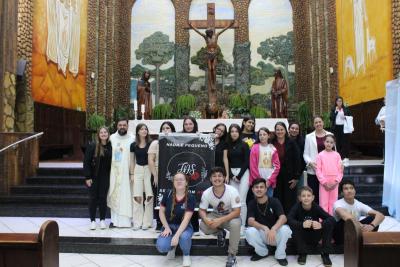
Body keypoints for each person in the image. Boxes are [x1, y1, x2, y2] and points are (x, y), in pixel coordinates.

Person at [199, 167, 241, 267]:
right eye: (214, 176)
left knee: (236, 224)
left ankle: (232, 254)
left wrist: (220, 220)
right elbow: (202, 210)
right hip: (216, 214)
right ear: (210, 179)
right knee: (203, 225)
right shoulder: (206, 193)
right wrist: (206, 219)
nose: (217, 178)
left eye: (219, 176)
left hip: (230, 216)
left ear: (224, 177)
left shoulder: (232, 190)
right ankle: (220, 232)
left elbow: (237, 212)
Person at [245, 178, 291, 266]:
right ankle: (262, 252)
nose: (259, 189)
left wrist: (273, 229)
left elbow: (283, 218)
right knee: (249, 231)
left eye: (261, 187)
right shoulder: (251, 203)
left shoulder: (274, 201)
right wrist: (264, 227)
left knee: (285, 229)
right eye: (256, 187)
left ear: (266, 189)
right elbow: (250, 221)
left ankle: (280, 255)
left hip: (275, 235)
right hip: (263, 234)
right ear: (253, 190)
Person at [288, 186, 335, 266]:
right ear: (299, 198)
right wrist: (302, 224)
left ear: (313, 197)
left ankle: (325, 254)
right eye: (303, 196)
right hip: (302, 237)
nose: (306, 198)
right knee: (294, 226)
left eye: (309, 196)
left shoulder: (316, 207)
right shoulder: (296, 207)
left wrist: (321, 224)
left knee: (328, 225)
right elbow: (289, 219)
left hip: (315, 235)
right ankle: (302, 253)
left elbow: (331, 219)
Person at [156, 172, 195, 267]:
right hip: (169, 226)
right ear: (173, 182)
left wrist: (177, 235)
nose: (179, 181)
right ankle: (172, 248)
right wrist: (166, 228)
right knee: (162, 247)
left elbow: (186, 219)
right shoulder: (167, 194)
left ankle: (186, 255)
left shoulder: (191, 197)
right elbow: (161, 212)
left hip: (184, 227)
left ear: (186, 182)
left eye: (181, 179)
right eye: (176, 179)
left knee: (184, 237)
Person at [333, 179, 385, 245]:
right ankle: (354, 242)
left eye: (351, 188)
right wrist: (361, 226)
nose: (349, 191)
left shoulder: (358, 204)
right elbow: (345, 216)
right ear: (342, 193)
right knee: (345, 221)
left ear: (355, 191)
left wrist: (371, 226)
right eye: (346, 189)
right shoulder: (338, 203)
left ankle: (365, 240)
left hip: (355, 231)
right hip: (341, 234)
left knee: (373, 218)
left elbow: (381, 215)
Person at [148, 121, 176, 231]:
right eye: (163, 128)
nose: (165, 130)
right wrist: (155, 175)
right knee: (159, 199)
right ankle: (159, 222)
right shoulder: (156, 143)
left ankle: (170, 221)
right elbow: (150, 160)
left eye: (168, 128)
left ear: (172, 130)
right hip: (158, 175)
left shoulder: (177, 141)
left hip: (173, 176)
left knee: (172, 198)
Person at [83, 126, 112, 230]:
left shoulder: (110, 146)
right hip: (94, 177)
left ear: (108, 134)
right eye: (101, 132)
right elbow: (86, 162)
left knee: (103, 198)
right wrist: (87, 177)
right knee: (93, 199)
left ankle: (103, 220)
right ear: (98, 135)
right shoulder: (93, 145)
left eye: (105, 132)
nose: (103, 134)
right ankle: (92, 221)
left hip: (105, 177)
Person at [108, 118, 134, 227]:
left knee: (127, 196)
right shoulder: (112, 138)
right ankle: (114, 221)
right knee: (114, 193)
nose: (122, 127)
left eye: (124, 125)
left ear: (127, 126)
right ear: (117, 126)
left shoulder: (132, 138)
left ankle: (127, 221)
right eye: (120, 125)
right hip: (114, 172)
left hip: (127, 172)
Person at [272, 122, 301, 213]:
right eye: (278, 130)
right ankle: (279, 218)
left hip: (290, 176)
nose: (280, 131)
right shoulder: (271, 142)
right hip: (276, 176)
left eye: (282, 129)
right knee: (277, 198)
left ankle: (289, 220)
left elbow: (297, 159)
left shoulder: (291, 142)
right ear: (275, 131)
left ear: (285, 130)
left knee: (289, 199)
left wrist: (296, 178)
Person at [303, 116, 333, 204]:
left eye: (320, 122)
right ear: (313, 124)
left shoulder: (330, 135)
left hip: (327, 171)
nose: (318, 124)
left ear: (323, 123)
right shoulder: (309, 137)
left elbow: (334, 152)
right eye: (316, 122)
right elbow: (305, 154)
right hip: (314, 170)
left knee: (326, 195)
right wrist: (310, 163)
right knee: (314, 194)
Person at [226, 124, 250, 234]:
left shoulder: (244, 145)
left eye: (236, 131)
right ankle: (233, 225)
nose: (234, 133)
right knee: (233, 201)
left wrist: (239, 176)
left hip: (243, 173)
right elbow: (226, 161)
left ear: (239, 132)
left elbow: (247, 161)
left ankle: (242, 225)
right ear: (229, 133)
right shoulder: (228, 145)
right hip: (232, 174)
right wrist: (231, 175)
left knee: (242, 201)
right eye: (232, 131)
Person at [130, 123, 153, 230]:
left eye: (145, 129)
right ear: (138, 131)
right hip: (138, 169)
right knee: (137, 196)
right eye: (142, 129)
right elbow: (132, 161)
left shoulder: (151, 143)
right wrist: (132, 174)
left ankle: (147, 222)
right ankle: (137, 222)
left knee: (149, 196)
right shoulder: (133, 145)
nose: (144, 131)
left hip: (148, 169)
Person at [316, 134, 344, 215]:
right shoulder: (320, 155)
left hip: (334, 182)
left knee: (333, 202)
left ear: (334, 144)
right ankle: (323, 221)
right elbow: (318, 170)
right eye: (327, 141)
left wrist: (337, 181)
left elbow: (340, 170)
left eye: (331, 142)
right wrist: (324, 182)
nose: (329, 144)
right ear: (324, 142)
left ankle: (332, 220)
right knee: (323, 203)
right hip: (324, 182)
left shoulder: (337, 155)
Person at [181, 116, 200, 234]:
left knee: (194, 198)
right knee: (183, 197)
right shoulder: (178, 136)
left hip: (195, 171)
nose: (188, 126)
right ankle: (184, 225)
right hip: (182, 170)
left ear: (194, 125)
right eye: (186, 124)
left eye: (190, 124)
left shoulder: (200, 136)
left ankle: (195, 225)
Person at [249, 127, 280, 197]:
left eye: (264, 134)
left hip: (269, 182)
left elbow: (277, 166)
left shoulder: (273, 148)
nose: (262, 136)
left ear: (268, 135)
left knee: (269, 202)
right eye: (260, 135)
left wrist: (270, 180)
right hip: (257, 182)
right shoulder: (254, 148)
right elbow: (252, 166)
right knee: (257, 202)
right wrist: (259, 181)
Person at [330, 96, 351, 161]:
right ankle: (338, 157)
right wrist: (336, 112)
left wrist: (345, 117)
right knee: (337, 142)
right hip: (336, 128)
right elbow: (331, 118)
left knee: (345, 142)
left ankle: (345, 156)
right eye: (338, 101)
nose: (339, 102)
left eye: (341, 101)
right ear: (336, 102)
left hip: (344, 127)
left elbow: (350, 116)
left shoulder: (346, 109)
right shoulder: (333, 109)